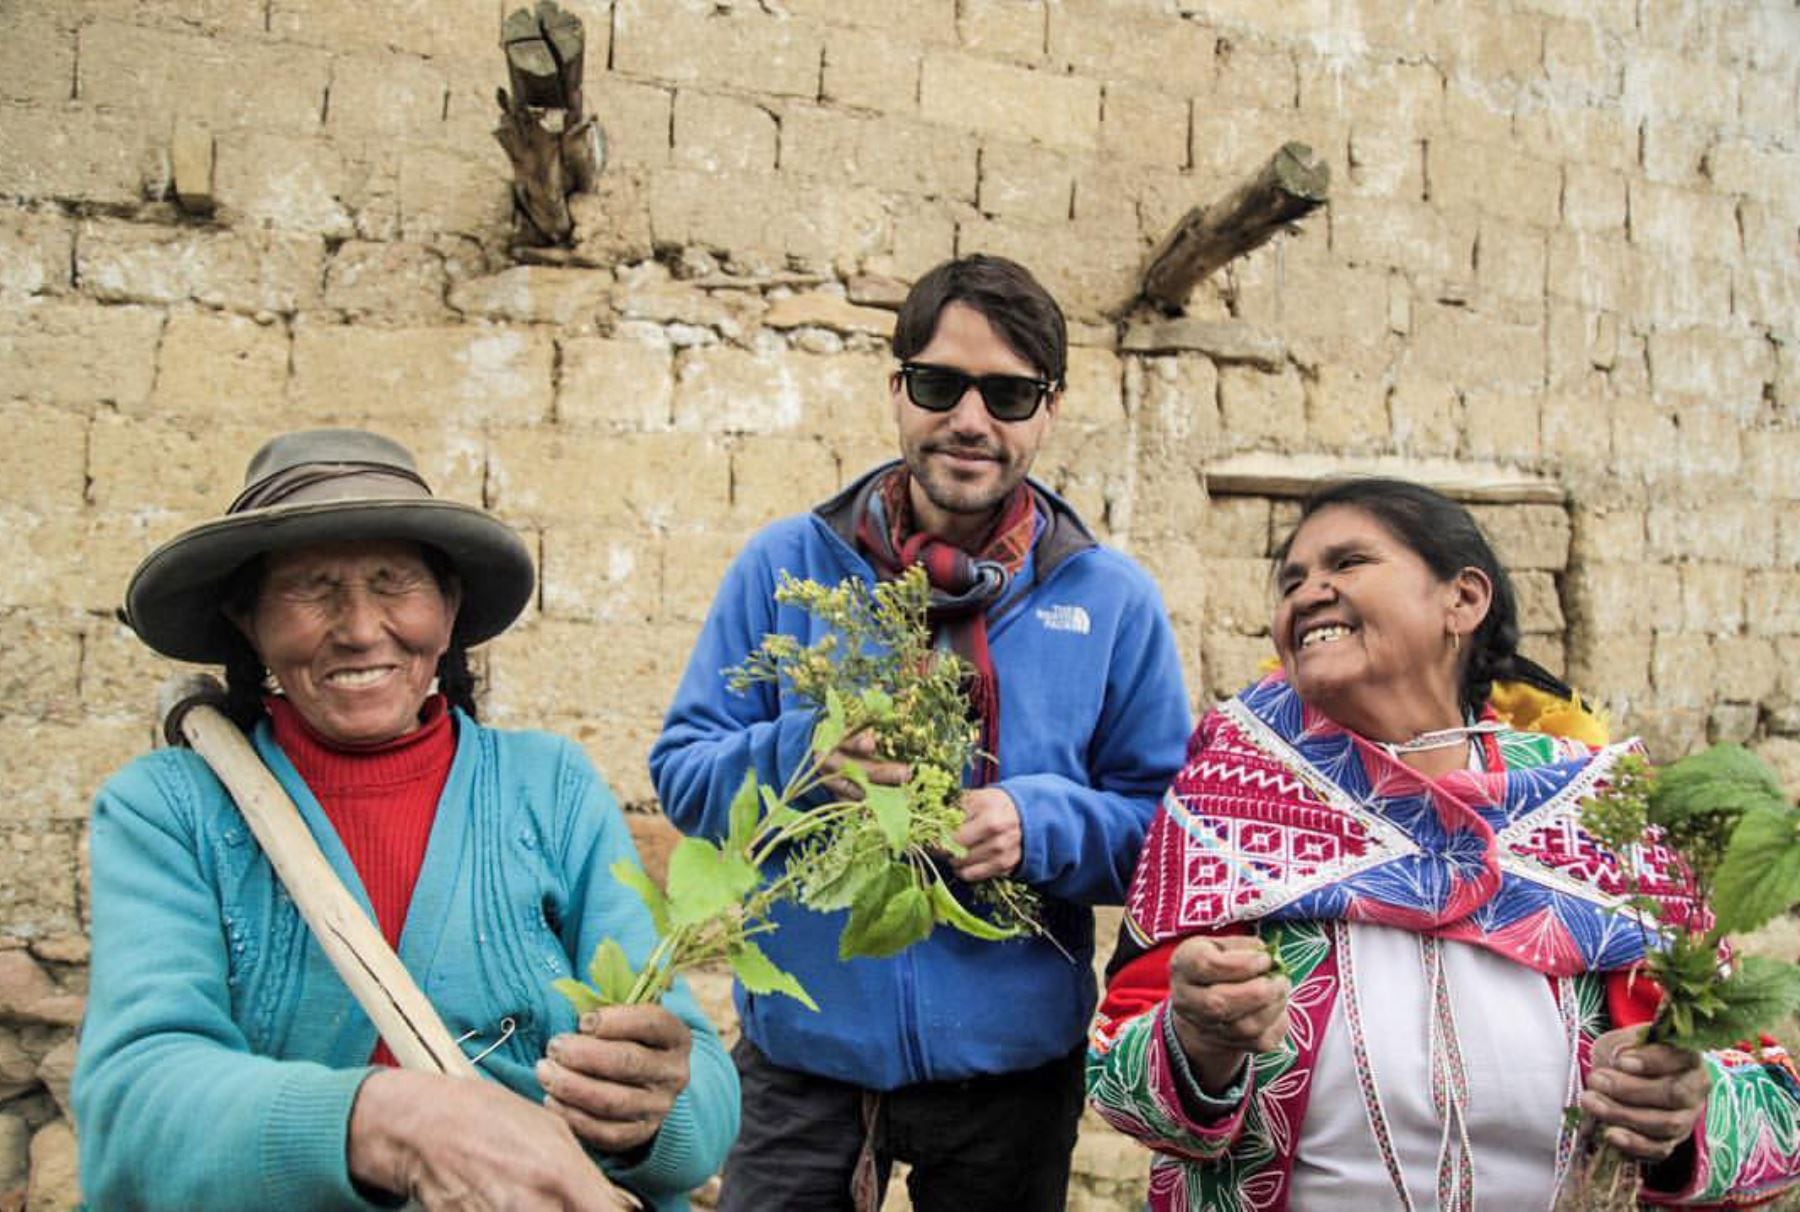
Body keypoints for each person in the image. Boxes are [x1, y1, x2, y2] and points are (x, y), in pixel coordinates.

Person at [1087, 477, 1800, 1210]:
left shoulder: (1590, 815)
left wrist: (1685, 1114)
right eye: (1292, 580)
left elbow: (1775, 1114)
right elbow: (1117, 1088)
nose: (1308, 593)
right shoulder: (1228, 808)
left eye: (1348, 563)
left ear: (1462, 600)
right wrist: (1197, 1043)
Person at [74, 428, 739, 1210]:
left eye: (394, 584)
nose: (359, 627)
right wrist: (384, 1122)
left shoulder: (548, 786)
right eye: (309, 589)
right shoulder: (168, 810)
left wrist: (651, 1108)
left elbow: (700, 1096)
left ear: (448, 607)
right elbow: (132, 1109)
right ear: (247, 621)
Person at [650, 254, 1193, 1210]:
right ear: (899, 390)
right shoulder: (787, 565)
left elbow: (1164, 838)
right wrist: (802, 760)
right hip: (803, 1062)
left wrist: (1038, 824)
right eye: (941, 384)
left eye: (1011, 393)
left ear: (1050, 410)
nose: (971, 420)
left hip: (1011, 1079)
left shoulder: (1111, 600)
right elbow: (685, 778)